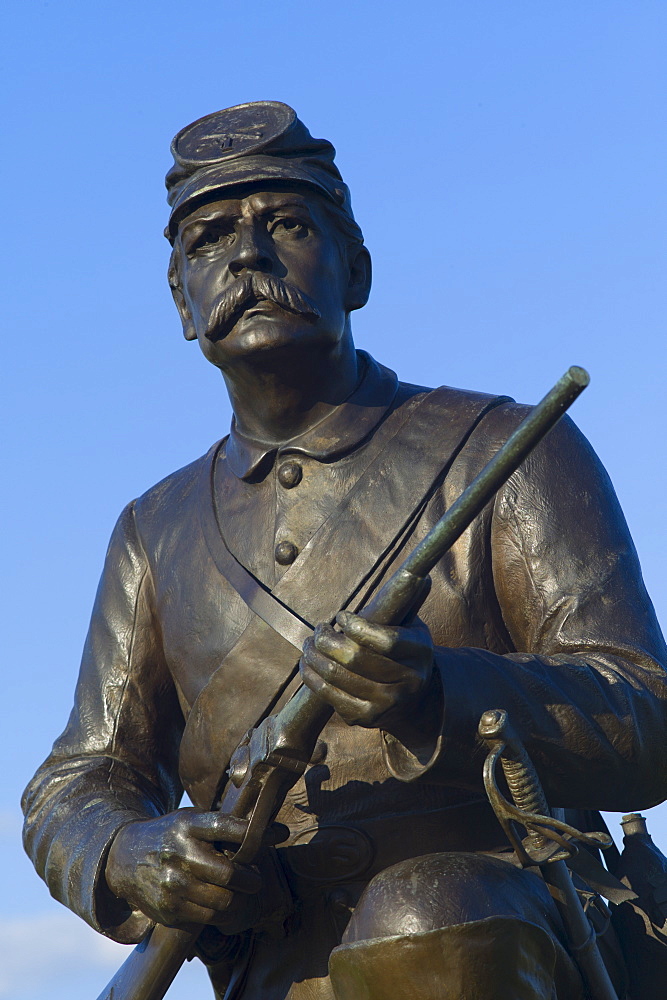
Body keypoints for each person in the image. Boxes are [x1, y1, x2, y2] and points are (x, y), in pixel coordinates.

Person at [22, 101, 667, 1000]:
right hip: (276, 961)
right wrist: (126, 850)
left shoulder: (507, 448)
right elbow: (80, 779)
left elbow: (644, 713)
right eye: (209, 240)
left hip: (509, 937)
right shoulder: (151, 530)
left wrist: (442, 694)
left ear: (355, 269)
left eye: (285, 225)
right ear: (181, 301)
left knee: (421, 912)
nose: (245, 256)